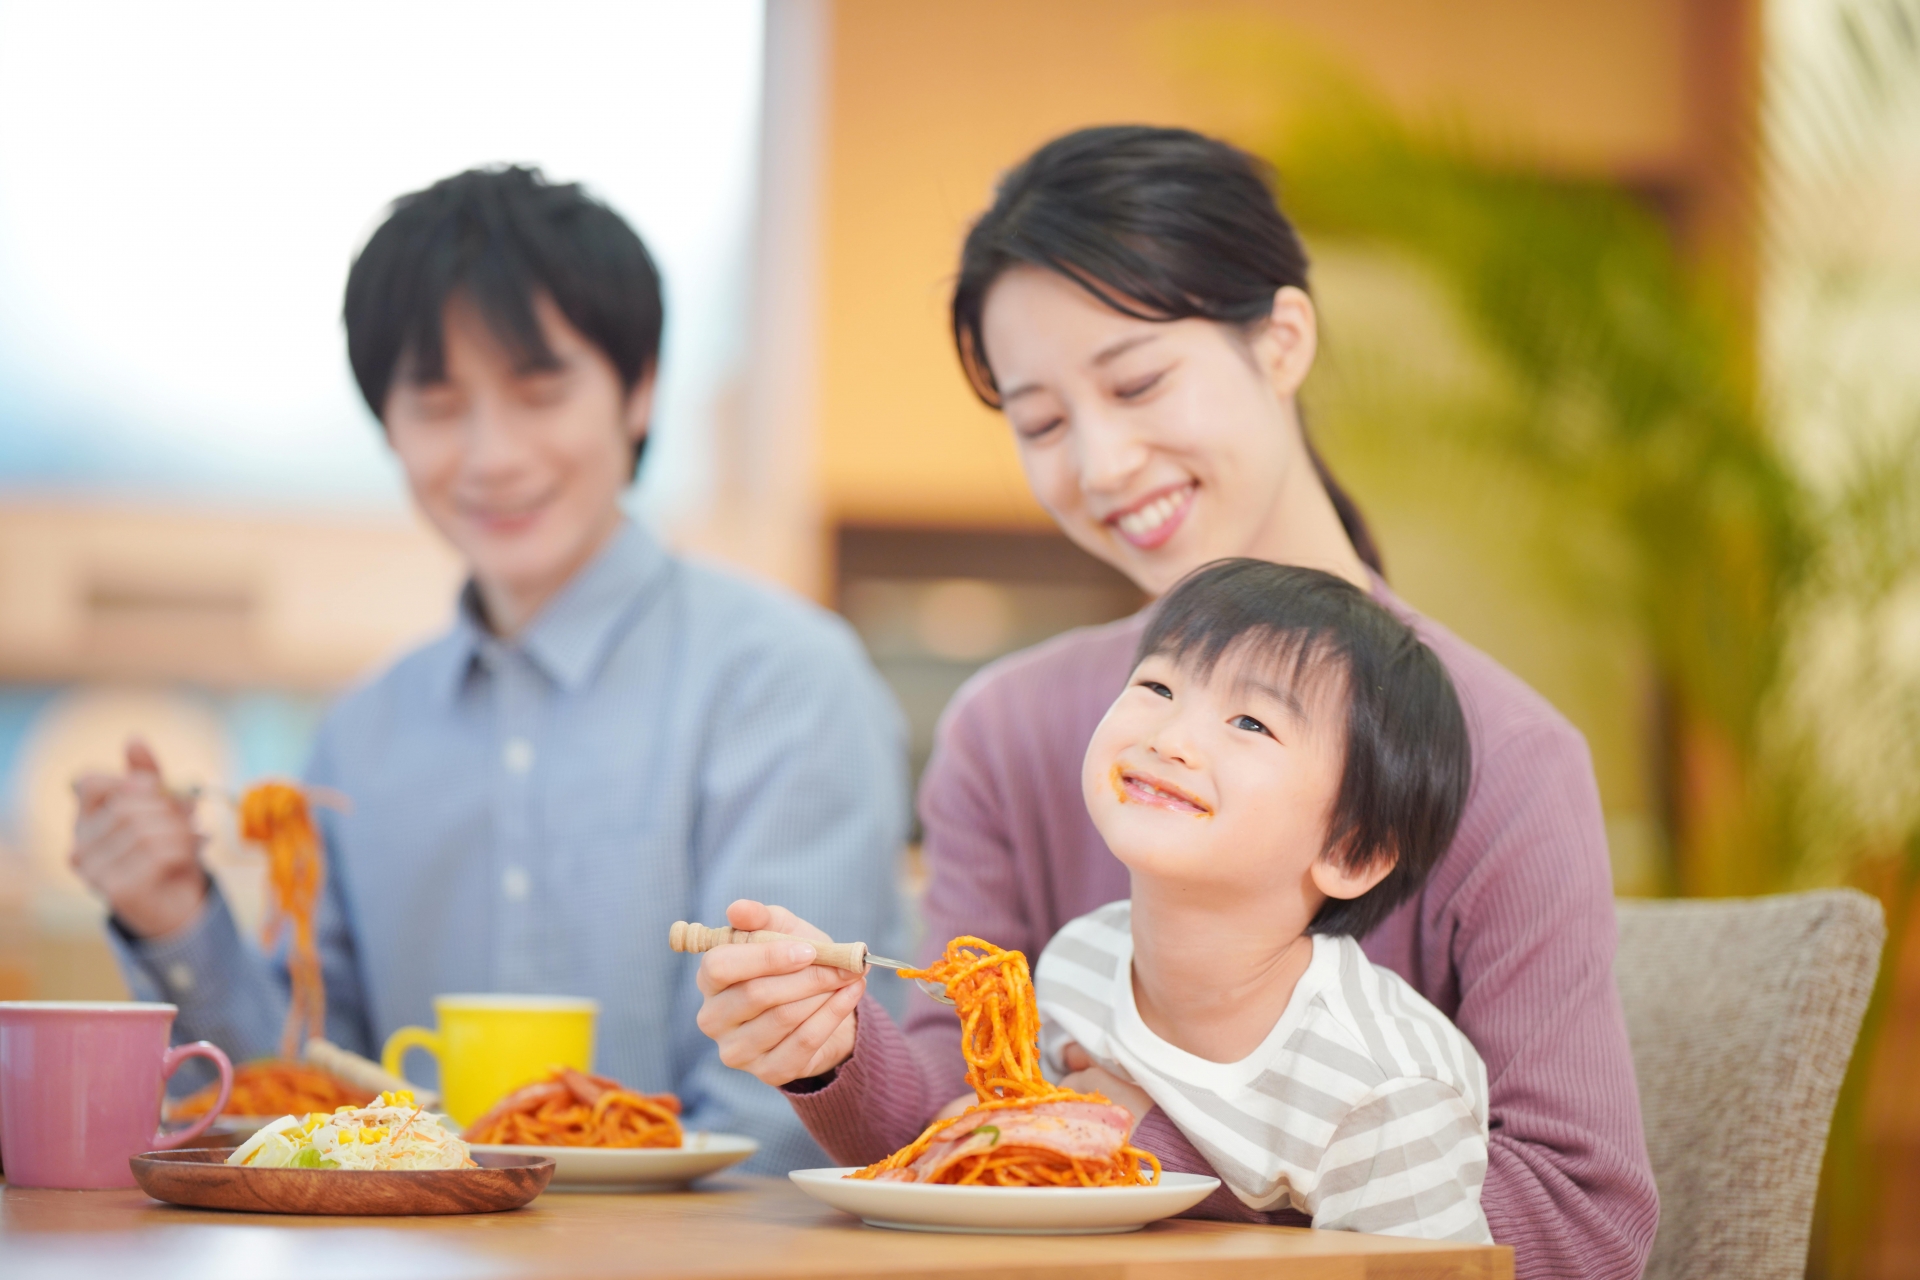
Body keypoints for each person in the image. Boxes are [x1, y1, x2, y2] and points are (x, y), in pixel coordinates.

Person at [690, 127, 1659, 1275]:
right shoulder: (1007, 735)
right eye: (1043, 423)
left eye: (1139, 380)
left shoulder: (1508, 754)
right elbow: (956, 1129)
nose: (1099, 464)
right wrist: (830, 1051)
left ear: (1281, 340)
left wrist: (1137, 1159)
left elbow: (1584, 1219)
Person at [69, 166, 908, 1173]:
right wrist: (175, 914)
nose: (490, 454)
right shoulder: (362, 731)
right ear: (388, 424)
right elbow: (297, 1091)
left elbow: (777, 1114)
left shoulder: (785, 681)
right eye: (436, 401)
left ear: (639, 390)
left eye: (538, 389)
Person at [1034, 560, 1485, 1239]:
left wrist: (1139, 1143)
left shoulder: (1385, 1089)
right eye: (1157, 685)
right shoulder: (1077, 964)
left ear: (1350, 851)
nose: (1170, 739)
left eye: (1249, 723)